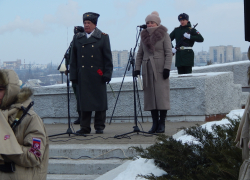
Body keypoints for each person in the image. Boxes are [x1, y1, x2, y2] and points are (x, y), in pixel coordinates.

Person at [0, 69, 49, 180]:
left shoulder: (30, 118)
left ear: (10, 90)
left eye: (0, 89)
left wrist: (6, 147)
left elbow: (35, 154)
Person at [70, 12, 113, 134]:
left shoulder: (103, 37)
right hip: (83, 75)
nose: (86, 25)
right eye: (84, 23)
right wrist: (73, 75)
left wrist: (107, 74)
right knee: (84, 102)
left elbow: (108, 58)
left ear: (94, 24)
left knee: (99, 101)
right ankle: (84, 127)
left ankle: (99, 126)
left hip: (98, 74)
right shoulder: (78, 38)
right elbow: (73, 59)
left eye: (89, 23)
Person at [134, 11, 172, 133]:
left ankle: (162, 123)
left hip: (160, 69)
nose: (149, 24)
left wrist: (167, 68)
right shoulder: (143, 35)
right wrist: (137, 68)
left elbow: (168, 53)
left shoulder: (164, 34)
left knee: (161, 96)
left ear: (157, 23)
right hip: (147, 69)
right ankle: (154, 123)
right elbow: (140, 53)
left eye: (152, 22)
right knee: (150, 97)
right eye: (148, 22)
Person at [65, 26, 84, 125]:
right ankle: (80, 116)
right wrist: (67, 68)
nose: (76, 35)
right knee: (78, 97)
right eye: (75, 33)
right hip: (74, 75)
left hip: (81, 74)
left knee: (82, 97)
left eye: (78, 33)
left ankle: (84, 117)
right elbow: (69, 57)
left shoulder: (82, 43)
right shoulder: (72, 44)